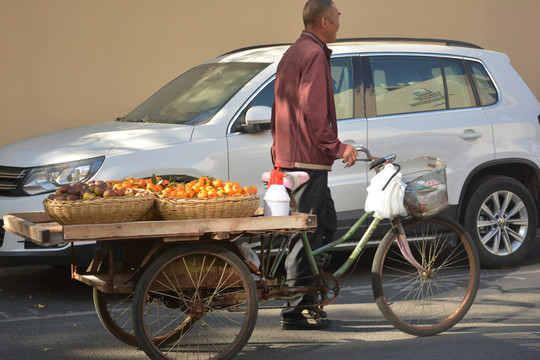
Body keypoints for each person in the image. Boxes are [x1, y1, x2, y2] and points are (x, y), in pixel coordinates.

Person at [271, 0, 358, 330]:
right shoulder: (314, 54)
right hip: (306, 158)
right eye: (337, 20)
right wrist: (338, 147)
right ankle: (296, 309)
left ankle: (310, 296)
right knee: (305, 234)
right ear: (324, 21)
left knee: (324, 225)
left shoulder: (294, 52)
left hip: (295, 156)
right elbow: (313, 111)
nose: (339, 25)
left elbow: (282, 106)